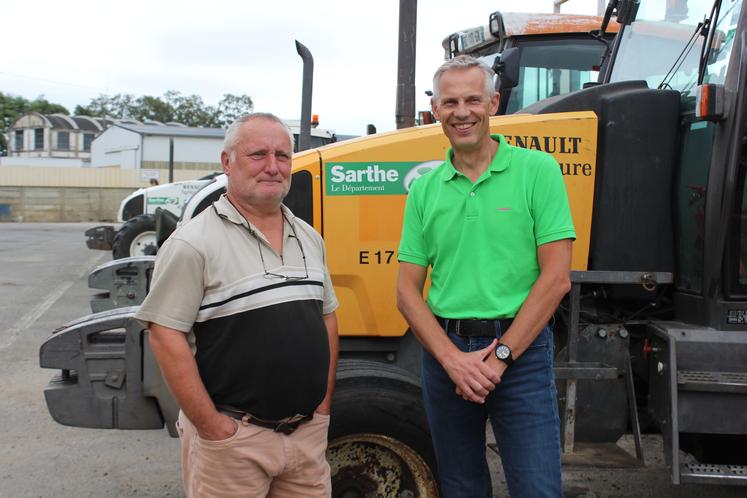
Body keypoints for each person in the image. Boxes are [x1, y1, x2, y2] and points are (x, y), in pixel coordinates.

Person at [396, 55, 575, 497]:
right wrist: (451, 360)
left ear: (493, 103)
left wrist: (500, 357)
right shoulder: (424, 189)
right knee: (460, 486)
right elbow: (406, 291)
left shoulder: (538, 171)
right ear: (435, 110)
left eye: (473, 99)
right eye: (450, 101)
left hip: (523, 355)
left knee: (537, 487)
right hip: (446, 356)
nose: (462, 112)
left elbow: (556, 278)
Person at [134, 113, 339, 498]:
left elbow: (327, 317)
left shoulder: (310, 238)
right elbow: (165, 335)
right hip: (234, 442)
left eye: (282, 155)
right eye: (258, 154)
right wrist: (212, 426)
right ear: (227, 162)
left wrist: (323, 409)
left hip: (305, 440)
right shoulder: (192, 243)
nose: (272, 167)